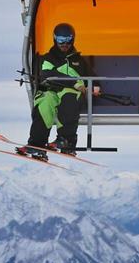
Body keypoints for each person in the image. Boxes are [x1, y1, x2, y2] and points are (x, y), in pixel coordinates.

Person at [17, 23, 100, 160]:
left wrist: (94, 86)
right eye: (60, 40)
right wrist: (75, 82)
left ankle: (66, 140)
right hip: (51, 90)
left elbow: (92, 78)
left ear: (73, 39)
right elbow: (47, 74)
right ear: (55, 39)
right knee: (45, 101)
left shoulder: (79, 61)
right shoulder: (48, 59)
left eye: (67, 40)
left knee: (69, 96)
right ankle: (37, 144)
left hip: (70, 95)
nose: (64, 44)